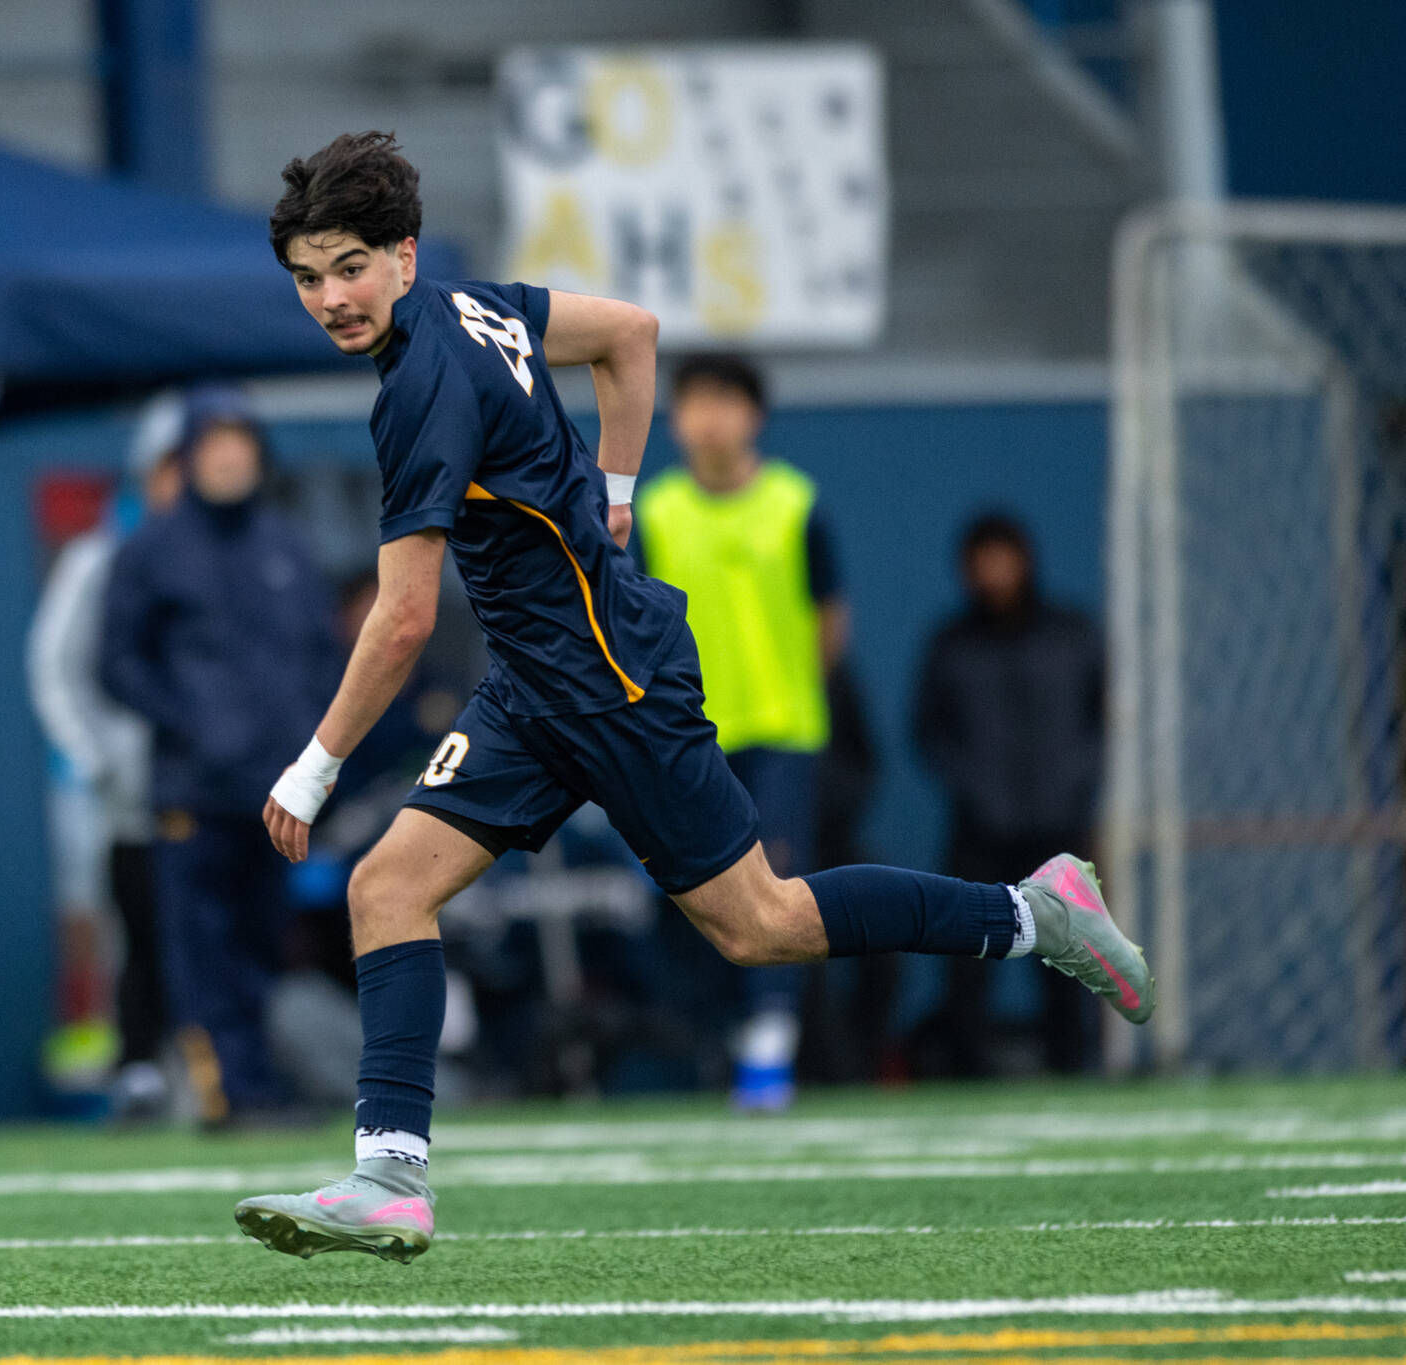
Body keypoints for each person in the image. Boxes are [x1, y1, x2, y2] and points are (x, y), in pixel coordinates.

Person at [232, 132, 1154, 1263]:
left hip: (610, 688)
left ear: (403, 255)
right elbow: (630, 335)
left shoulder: (420, 385)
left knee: (761, 926)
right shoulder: (474, 309)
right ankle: (391, 1180)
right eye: (307, 278)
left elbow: (404, 618)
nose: (330, 297)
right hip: (536, 685)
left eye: (349, 267)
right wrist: (614, 493)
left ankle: (1037, 914)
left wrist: (315, 763)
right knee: (386, 888)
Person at [99, 388, 339, 1125]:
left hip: (277, 793)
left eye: (243, 444)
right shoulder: (150, 551)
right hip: (193, 792)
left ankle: (260, 1084)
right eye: (215, 445)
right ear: (190, 456)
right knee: (199, 950)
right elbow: (115, 663)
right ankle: (225, 1093)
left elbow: (323, 657)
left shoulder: (286, 547)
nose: (230, 458)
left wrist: (317, 746)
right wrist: (190, 724)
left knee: (264, 946)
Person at [637, 353, 848, 1110]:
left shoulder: (795, 503)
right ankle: (717, 1040)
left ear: (755, 415)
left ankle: (771, 1042)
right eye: (696, 402)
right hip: (689, 740)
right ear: (674, 417)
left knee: (779, 888)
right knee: (695, 892)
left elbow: (829, 616)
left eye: (727, 401)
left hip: (784, 732)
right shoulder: (655, 511)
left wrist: (793, 685)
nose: (711, 418)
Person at [28, 393, 187, 1119]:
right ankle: (141, 1064)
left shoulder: (227, 557)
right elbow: (53, 667)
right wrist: (96, 760)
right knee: (137, 922)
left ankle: (216, 1057)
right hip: (126, 796)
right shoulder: (100, 558)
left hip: (209, 785)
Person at [912, 514, 1107, 1075]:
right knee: (969, 956)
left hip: (1058, 828)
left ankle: (1073, 1068)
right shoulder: (949, 646)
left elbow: (1099, 719)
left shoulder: (1071, 635)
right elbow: (929, 732)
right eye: (983, 561)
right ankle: (967, 1070)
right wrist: (976, 792)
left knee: (1068, 957)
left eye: (1004, 558)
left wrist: (1074, 786)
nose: (995, 574)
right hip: (980, 831)